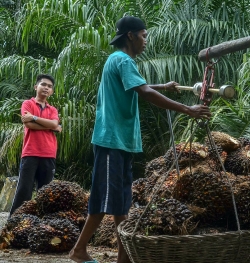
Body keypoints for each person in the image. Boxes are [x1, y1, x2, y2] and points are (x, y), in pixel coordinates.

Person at [69, 16, 211, 263]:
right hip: (111, 141)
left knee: (122, 204)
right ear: (131, 36)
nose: (146, 41)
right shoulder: (122, 59)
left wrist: (163, 86)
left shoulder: (119, 61)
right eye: (144, 36)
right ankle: (79, 251)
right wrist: (188, 109)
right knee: (105, 200)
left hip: (121, 143)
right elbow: (144, 92)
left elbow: (139, 86)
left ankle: (124, 259)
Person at [9, 74, 62, 216]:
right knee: (24, 190)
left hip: (49, 153)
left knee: (45, 192)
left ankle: (41, 224)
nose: (46, 88)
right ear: (36, 87)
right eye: (43, 84)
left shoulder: (53, 109)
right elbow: (28, 125)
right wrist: (51, 126)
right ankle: (14, 223)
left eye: (49, 86)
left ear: (52, 91)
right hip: (30, 153)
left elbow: (54, 123)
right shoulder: (27, 104)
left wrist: (34, 117)